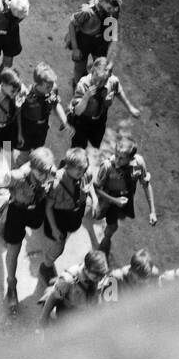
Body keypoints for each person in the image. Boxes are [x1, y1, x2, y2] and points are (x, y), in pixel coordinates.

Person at [0, 147, 56, 315]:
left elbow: (56, 178)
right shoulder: (17, 176)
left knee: (36, 225)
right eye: (41, 172)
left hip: (36, 209)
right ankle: (12, 285)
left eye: (47, 171)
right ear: (32, 167)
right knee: (13, 249)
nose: (45, 175)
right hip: (18, 211)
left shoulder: (50, 171)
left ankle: (2, 212)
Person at [91, 129, 158, 257]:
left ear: (131, 158)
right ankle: (104, 237)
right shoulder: (107, 166)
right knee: (99, 216)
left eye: (122, 158)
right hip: (108, 199)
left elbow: (146, 185)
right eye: (116, 155)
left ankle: (106, 237)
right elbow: (97, 188)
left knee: (113, 223)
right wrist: (114, 200)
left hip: (125, 199)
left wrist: (152, 211)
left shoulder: (138, 163)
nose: (117, 160)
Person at [38, 148, 91, 284]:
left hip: (72, 215)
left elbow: (89, 189)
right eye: (78, 170)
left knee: (66, 235)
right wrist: (55, 229)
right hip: (58, 217)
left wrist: (88, 196)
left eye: (84, 169)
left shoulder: (83, 175)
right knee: (59, 247)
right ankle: (46, 266)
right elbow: (48, 207)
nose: (82, 173)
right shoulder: (56, 184)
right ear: (68, 167)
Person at [69, 56, 140, 153]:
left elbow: (118, 91)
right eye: (95, 79)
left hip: (100, 121)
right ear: (92, 71)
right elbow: (77, 111)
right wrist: (86, 97)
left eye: (102, 81)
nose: (98, 84)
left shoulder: (112, 81)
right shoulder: (83, 84)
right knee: (78, 148)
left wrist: (130, 108)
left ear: (109, 76)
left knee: (95, 145)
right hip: (82, 121)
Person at [65, 0, 123, 89]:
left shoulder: (112, 12)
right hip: (84, 41)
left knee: (101, 67)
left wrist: (110, 61)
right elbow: (72, 25)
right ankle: (79, 87)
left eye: (114, 9)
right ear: (100, 0)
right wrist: (75, 48)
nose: (112, 12)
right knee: (80, 67)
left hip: (101, 41)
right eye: (109, 8)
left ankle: (95, 86)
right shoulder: (87, 12)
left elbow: (113, 38)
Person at [39, 249, 111, 321]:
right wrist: (43, 319)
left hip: (85, 312)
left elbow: (98, 295)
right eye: (96, 277)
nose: (100, 279)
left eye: (102, 275)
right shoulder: (68, 280)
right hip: (68, 314)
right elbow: (52, 298)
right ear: (86, 269)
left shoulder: (99, 276)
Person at [17, 62, 69, 155]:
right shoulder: (27, 95)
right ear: (38, 83)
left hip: (42, 127)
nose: (51, 88)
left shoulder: (52, 89)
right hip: (27, 129)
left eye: (52, 85)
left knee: (38, 150)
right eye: (48, 86)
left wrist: (64, 120)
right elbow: (18, 115)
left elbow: (55, 104)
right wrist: (19, 133)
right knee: (24, 153)